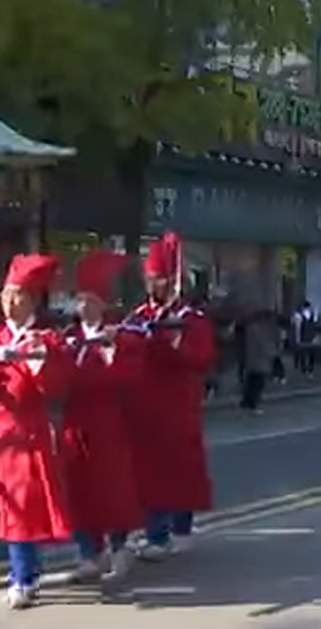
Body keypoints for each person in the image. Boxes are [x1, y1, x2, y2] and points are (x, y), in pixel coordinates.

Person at [0, 253, 73, 610]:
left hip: (27, 435)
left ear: (32, 299)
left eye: (17, 294)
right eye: (5, 294)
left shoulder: (46, 339)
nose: (9, 302)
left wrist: (35, 362)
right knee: (4, 509)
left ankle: (21, 576)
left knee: (20, 507)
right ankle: (29, 569)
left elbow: (55, 385)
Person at [125, 233, 217, 560]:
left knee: (179, 469)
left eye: (160, 278)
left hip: (178, 405)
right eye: (150, 278)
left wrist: (176, 342)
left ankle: (177, 529)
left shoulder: (191, 319)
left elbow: (203, 358)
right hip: (144, 405)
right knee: (148, 471)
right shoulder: (138, 316)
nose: (154, 285)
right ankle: (154, 531)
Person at [58, 250, 142, 582]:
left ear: (103, 303)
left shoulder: (119, 337)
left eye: (91, 300)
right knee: (77, 491)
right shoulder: (69, 338)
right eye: (80, 300)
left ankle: (120, 546)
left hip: (107, 422)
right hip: (73, 423)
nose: (84, 306)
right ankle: (88, 553)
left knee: (111, 488)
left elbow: (130, 378)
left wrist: (110, 354)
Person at [238, 308, 277, 413]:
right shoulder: (258, 329)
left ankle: (246, 402)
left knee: (252, 380)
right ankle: (252, 404)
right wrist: (270, 352)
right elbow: (262, 344)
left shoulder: (252, 327)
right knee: (258, 382)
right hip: (258, 359)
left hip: (253, 359)